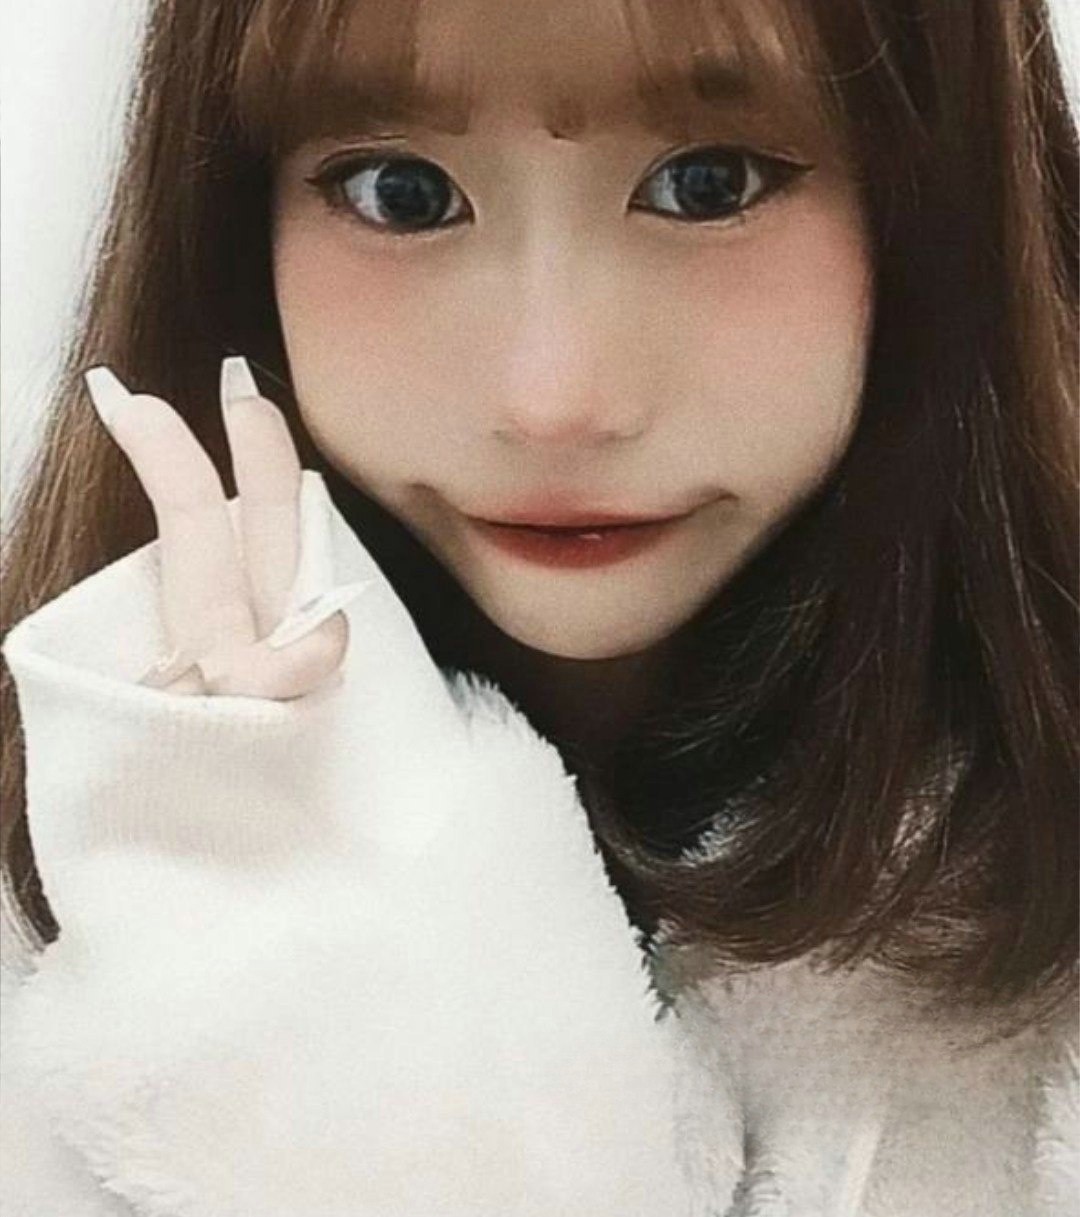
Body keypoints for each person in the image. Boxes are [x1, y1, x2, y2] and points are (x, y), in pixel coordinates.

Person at [1, 0, 1076, 1212]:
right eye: (403, 193)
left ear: (936, 206)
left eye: (709, 185)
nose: (553, 399)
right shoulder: (70, 903)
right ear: (235, 225)